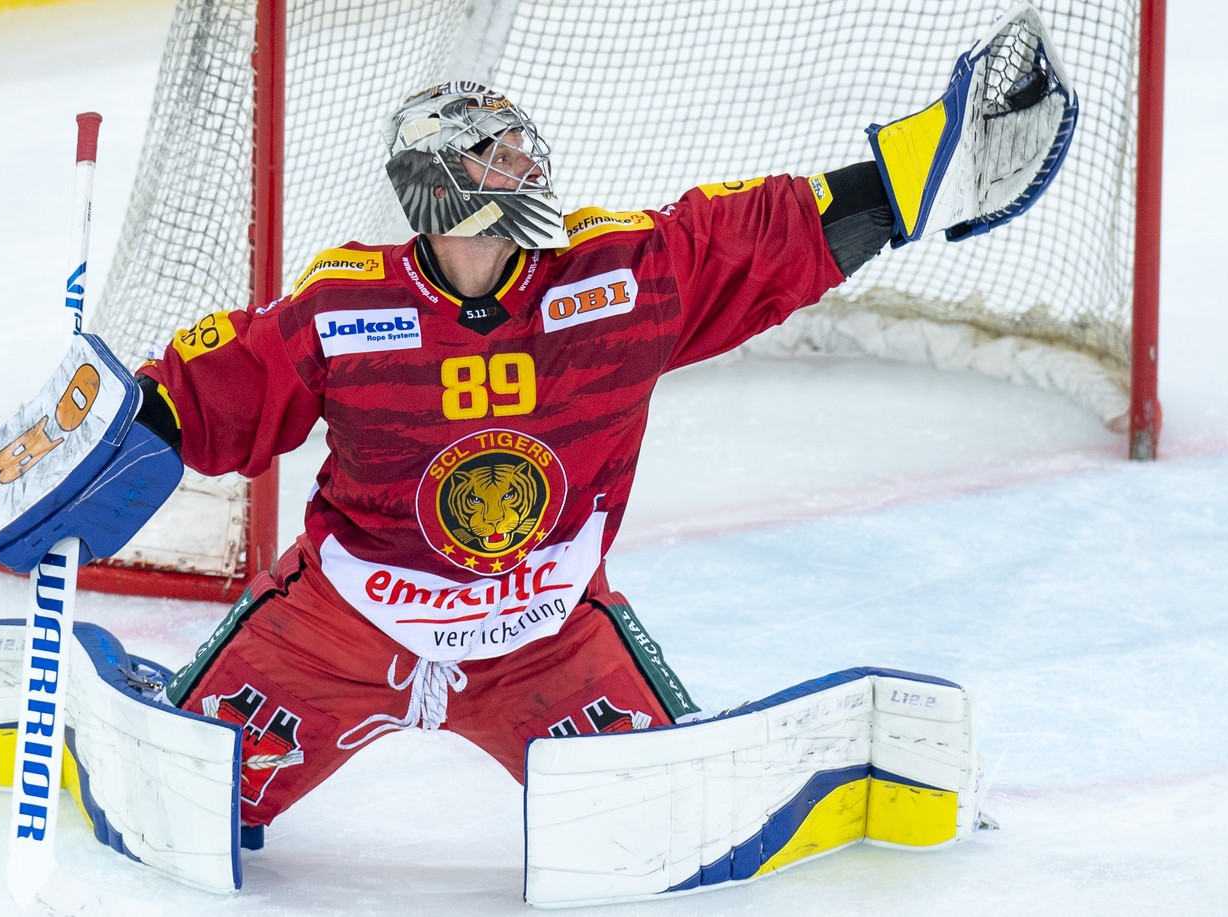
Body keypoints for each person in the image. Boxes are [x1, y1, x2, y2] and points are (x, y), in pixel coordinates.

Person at [127, 79, 929, 833]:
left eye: (522, 143)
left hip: (544, 630)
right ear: (438, 183)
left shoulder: (615, 277)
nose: (526, 161)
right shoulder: (345, 306)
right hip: (344, 620)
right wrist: (114, 431)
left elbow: (751, 240)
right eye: (495, 150)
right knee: (173, 796)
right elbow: (218, 388)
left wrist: (899, 184)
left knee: (664, 822)